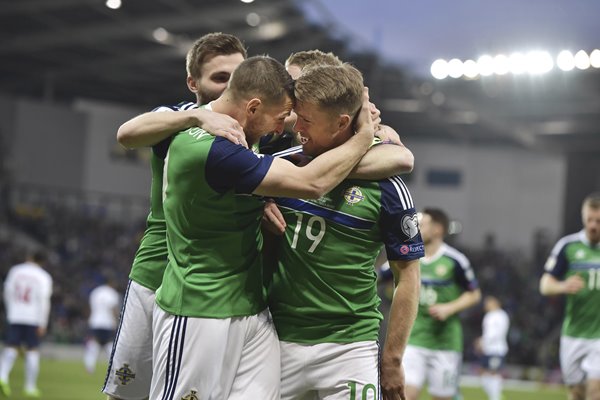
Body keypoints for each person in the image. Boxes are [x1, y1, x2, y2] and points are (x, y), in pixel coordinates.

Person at [150, 55, 375, 400]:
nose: (280, 130)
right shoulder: (213, 150)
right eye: (282, 118)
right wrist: (364, 135)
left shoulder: (240, 133)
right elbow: (312, 182)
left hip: (252, 312)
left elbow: (399, 159)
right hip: (199, 309)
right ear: (253, 107)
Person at [263, 61, 423, 400]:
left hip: (350, 345)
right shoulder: (282, 166)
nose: (298, 129)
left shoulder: (388, 187)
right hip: (277, 337)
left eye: (307, 120)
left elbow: (407, 277)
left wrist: (392, 359)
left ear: (342, 123)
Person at [103, 32, 248, 400]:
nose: (229, 87)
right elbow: (126, 134)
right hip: (156, 274)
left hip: (213, 290)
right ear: (192, 82)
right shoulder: (176, 118)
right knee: (127, 392)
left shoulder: (256, 129)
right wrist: (198, 118)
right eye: (219, 78)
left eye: (237, 77)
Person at [403, 208, 481, 400]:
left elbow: (474, 294)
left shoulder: (455, 261)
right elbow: (381, 276)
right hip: (415, 339)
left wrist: (449, 308)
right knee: (404, 395)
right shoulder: (409, 256)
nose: (417, 228)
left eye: (422, 224)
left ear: (437, 229)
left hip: (445, 343)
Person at [539, 192, 600, 400]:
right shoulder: (568, 246)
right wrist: (564, 286)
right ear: (583, 217)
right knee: (576, 393)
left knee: (595, 391)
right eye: (589, 220)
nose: (593, 225)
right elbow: (545, 285)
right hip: (573, 333)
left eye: (598, 221)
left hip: (599, 336)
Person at [0, 250, 53, 398]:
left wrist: (11, 311)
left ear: (29, 258)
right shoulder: (44, 277)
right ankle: (30, 387)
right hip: (33, 318)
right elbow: (44, 301)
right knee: (32, 350)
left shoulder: (15, 271)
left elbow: (7, 292)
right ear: (42, 262)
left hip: (15, 315)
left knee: (11, 346)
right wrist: (43, 322)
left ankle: (2, 376)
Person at [83, 277, 121, 374]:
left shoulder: (95, 292)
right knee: (109, 344)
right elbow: (113, 309)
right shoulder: (112, 293)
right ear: (111, 282)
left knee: (94, 344)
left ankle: (89, 366)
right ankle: (113, 367)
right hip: (107, 323)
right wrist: (117, 320)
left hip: (95, 322)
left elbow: (90, 307)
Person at [475, 295, 510, 400]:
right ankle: (495, 396)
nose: (486, 305)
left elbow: (497, 333)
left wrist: (482, 341)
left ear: (495, 303)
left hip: (497, 350)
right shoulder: (489, 315)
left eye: (488, 303)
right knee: (483, 373)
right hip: (488, 350)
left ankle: (496, 398)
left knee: (494, 373)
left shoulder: (501, 315)